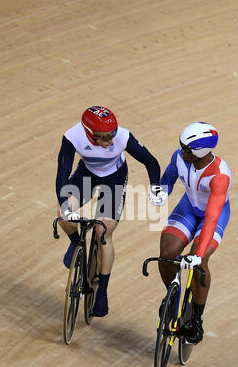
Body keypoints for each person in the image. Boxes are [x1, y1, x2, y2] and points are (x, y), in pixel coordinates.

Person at [56, 106, 166, 317]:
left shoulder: (122, 136)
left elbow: (150, 161)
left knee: (103, 233)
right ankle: (74, 242)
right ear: (89, 134)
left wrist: (155, 187)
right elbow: (62, 174)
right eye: (104, 138)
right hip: (87, 175)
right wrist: (64, 206)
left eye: (112, 134)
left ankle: (102, 293)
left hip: (114, 180)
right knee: (62, 212)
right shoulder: (73, 137)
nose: (110, 141)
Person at [159, 122, 231, 344]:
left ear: (199, 153)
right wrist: (161, 192)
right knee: (167, 252)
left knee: (199, 264)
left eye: (186, 149)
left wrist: (198, 253)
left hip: (213, 217)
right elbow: (168, 178)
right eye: (181, 146)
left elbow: (211, 217)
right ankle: (172, 297)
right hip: (188, 207)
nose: (181, 151)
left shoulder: (219, 175)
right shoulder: (180, 157)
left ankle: (196, 320)